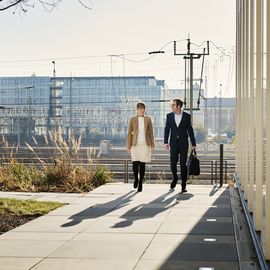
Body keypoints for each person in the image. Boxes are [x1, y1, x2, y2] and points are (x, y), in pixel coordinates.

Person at [164, 98, 196, 193]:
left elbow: (190, 130)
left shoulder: (186, 116)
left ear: (178, 106)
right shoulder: (169, 116)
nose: (172, 106)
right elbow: (167, 130)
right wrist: (166, 142)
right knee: (173, 163)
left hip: (183, 144)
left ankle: (183, 185)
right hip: (173, 143)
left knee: (183, 165)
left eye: (173, 105)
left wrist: (193, 144)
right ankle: (175, 178)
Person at [127, 102, 154, 192]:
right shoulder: (132, 119)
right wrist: (128, 145)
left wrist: (152, 144)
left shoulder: (148, 119)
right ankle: (136, 179)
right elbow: (129, 133)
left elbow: (151, 132)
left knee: (142, 164)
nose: (143, 110)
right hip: (135, 145)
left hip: (144, 144)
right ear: (137, 109)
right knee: (135, 163)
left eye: (144, 108)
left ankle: (141, 183)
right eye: (141, 108)